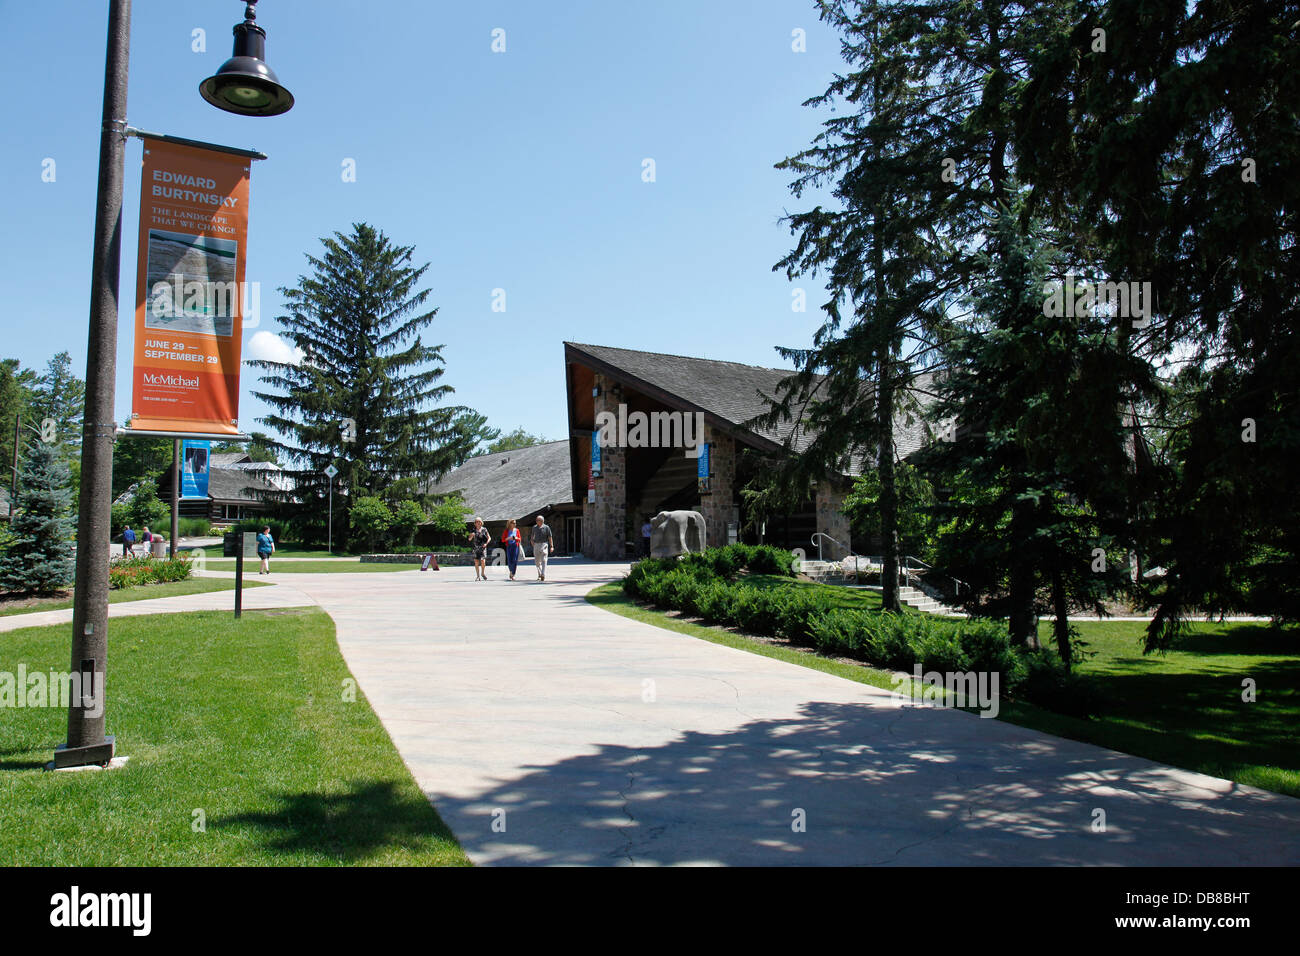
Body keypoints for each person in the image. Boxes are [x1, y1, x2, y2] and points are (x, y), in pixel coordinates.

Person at [531, 514, 553, 581]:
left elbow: (550, 537)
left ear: (542, 521)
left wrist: (551, 546)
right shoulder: (534, 527)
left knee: (544, 559)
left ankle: (543, 574)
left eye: (538, 520)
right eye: (536, 520)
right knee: (537, 561)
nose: (537, 521)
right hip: (536, 544)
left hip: (544, 544)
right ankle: (540, 573)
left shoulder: (546, 527)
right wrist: (532, 542)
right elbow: (532, 536)